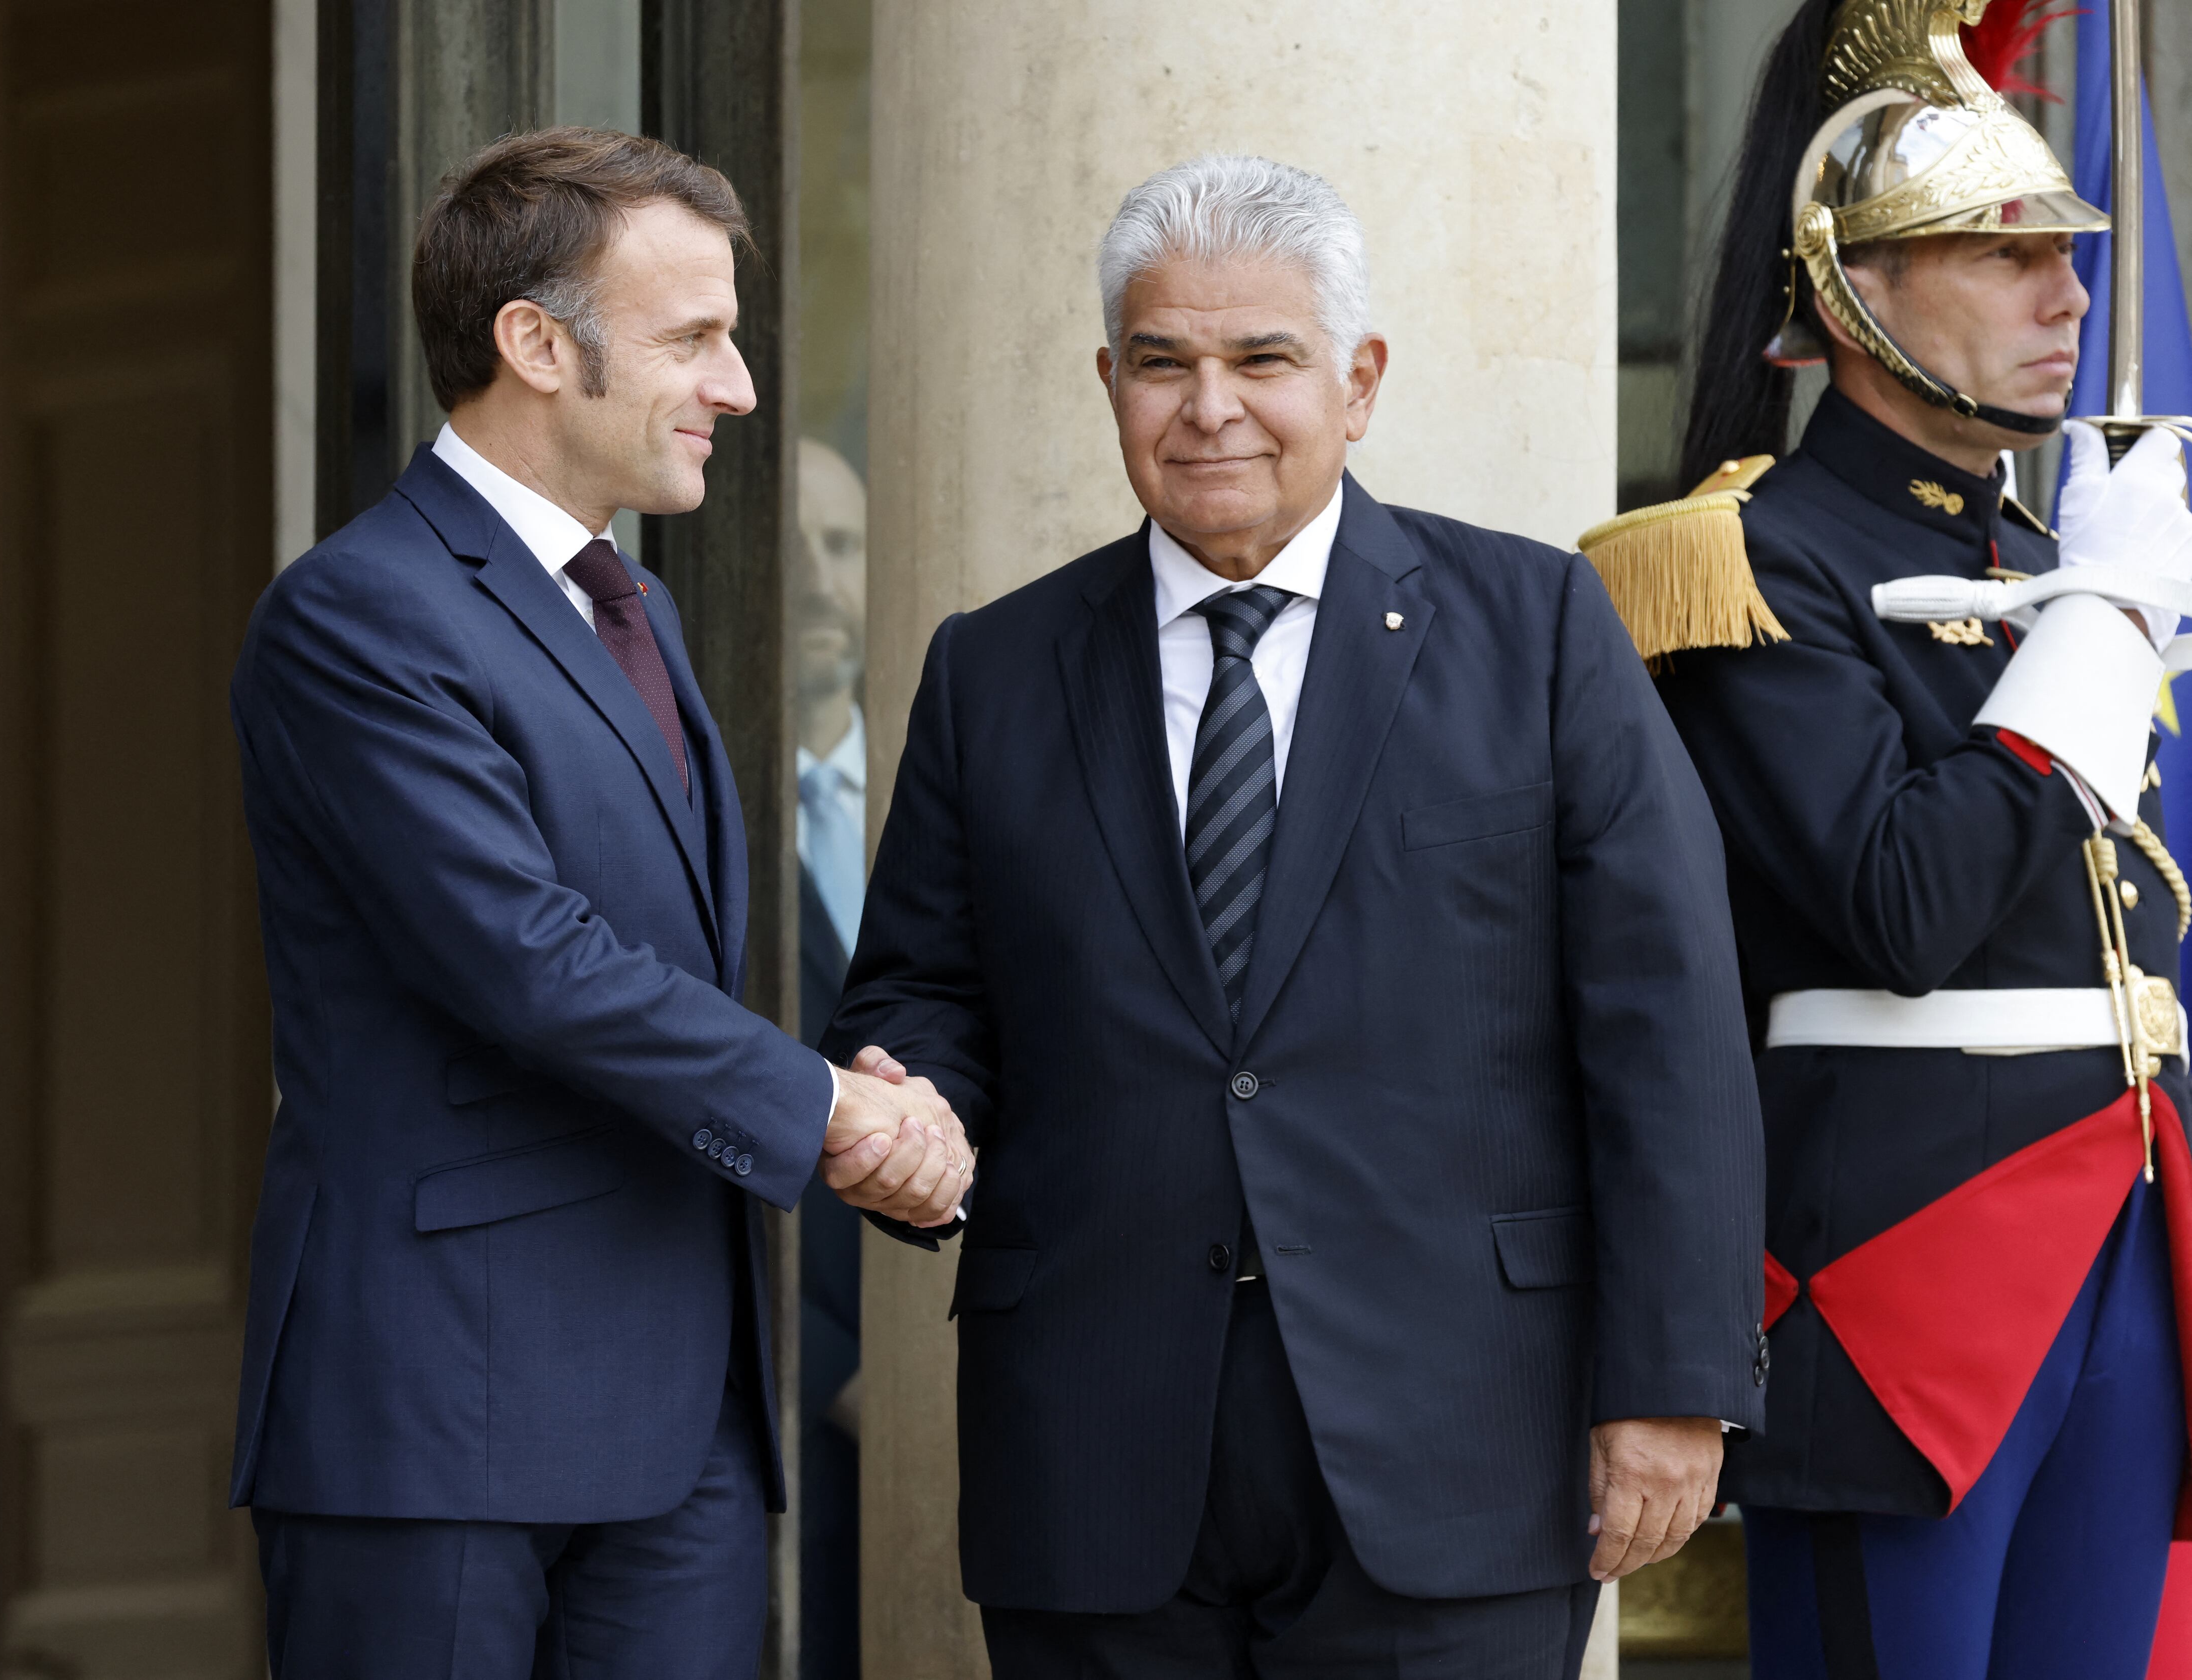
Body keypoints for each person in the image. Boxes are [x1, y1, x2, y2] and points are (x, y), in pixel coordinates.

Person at [823, 153, 1767, 1677]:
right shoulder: (994, 667)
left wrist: (1674, 1383)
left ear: (1359, 379)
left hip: (1461, 1434)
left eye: (1262, 358)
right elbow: (924, 989)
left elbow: (1666, 1026)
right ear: (1108, 381)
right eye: (1162, 362)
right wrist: (902, 1098)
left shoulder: (1536, 629)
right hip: (1097, 1440)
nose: (1211, 407)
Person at [223, 128, 971, 1679]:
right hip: (440, 1415)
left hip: (679, 1420)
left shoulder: (640, 607)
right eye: (696, 337)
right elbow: (527, 956)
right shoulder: (358, 614)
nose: (742, 385)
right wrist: (834, 1105)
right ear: (536, 344)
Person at [1613, 2, 2192, 1673]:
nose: (2066, 300)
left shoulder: (2053, 555)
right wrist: (2104, 625)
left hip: (2127, 1231)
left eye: (2066, 257)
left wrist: (2084, 595)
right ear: (1857, 292)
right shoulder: (1748, 559)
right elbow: (1907, 904)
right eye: (2001, 258)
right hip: (1905, 1272)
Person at [793, 435, 870, 1680]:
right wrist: (838, 1370)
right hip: (788, 1413)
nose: (815, 577)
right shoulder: (700, 806)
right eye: (795, 541)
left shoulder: (947, 783)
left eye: (844, 543)